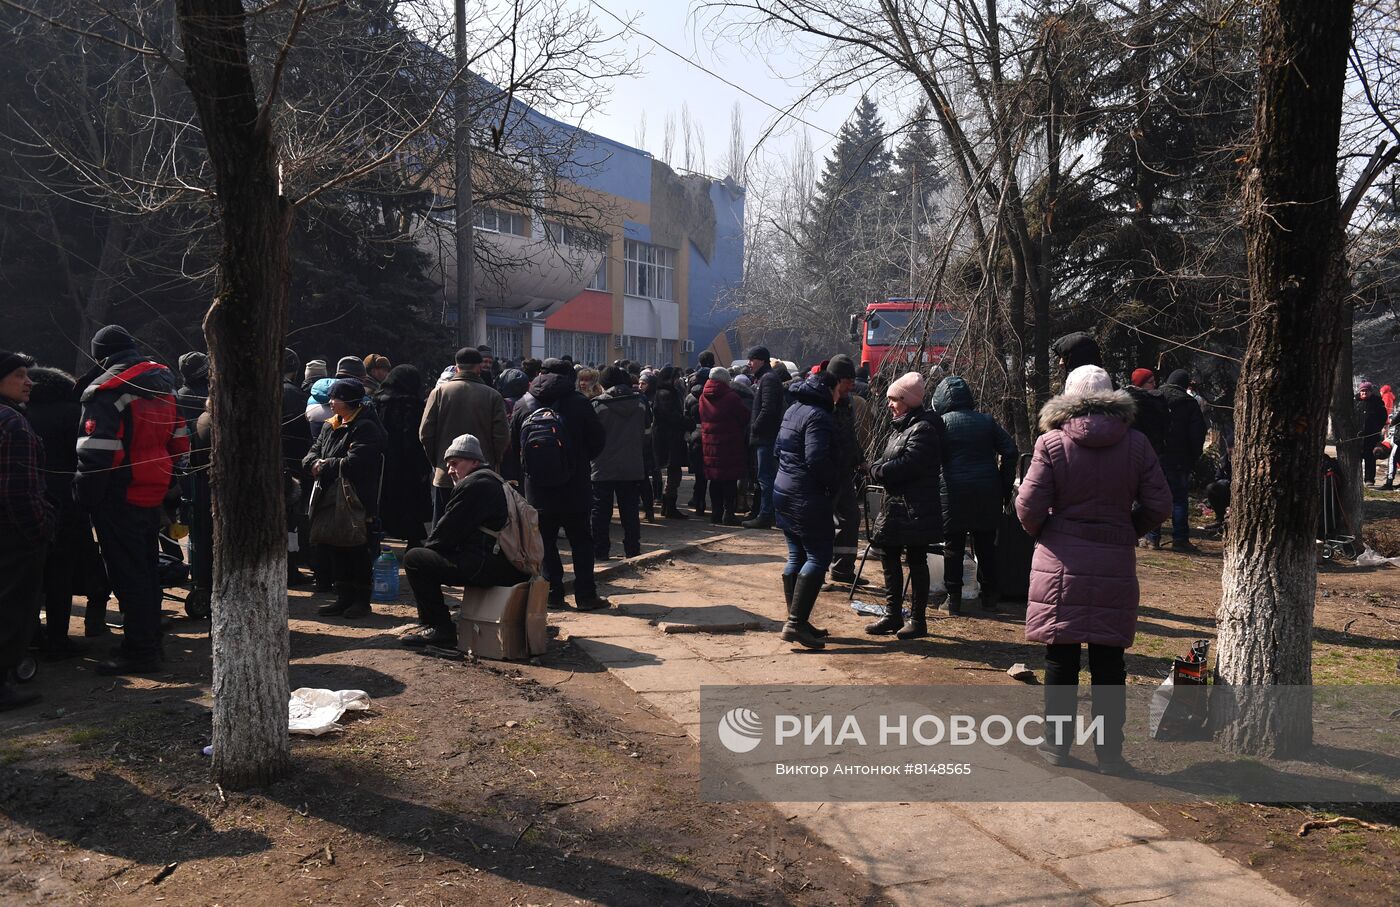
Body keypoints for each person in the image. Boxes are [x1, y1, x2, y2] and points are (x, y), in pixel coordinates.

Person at [1016, 365, 1172, 774]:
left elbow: (1028, 504)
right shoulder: (1136, 444)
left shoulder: (1050, 443)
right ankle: (1109, 754)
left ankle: (1055, 746)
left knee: (1060, 659)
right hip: (1114, 558)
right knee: (1109, 663)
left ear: (1067, 398)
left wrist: (1049, 532)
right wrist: (1127, 529)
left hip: (1060, 560)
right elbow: (1159, 505)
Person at [75, 326, 190, 675]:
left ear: (100, 355)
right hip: (153, 490)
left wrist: (85, 498)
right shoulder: (163, 386)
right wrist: (169, 484)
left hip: (119, 494)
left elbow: (97, 453)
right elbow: (180, 441)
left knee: (128, 574)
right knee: (145, 569)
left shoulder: (107, 391)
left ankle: (140, 652)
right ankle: (149, 640)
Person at [401, 434, 529, 648]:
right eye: (448, 465)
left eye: (455, 463)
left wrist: (430, 553)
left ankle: (438, 627)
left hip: (488, 565)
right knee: (427, 557)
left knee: (415, 559)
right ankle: (437, 625)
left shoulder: (474, 485)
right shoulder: (493, 479)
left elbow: (446, 533)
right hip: (507, 563)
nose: (450, 470)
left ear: (474, 462)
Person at [510, 358, 610, 610]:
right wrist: (578, 461)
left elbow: (512, 446)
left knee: (545, 542)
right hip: (575, 485)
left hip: (537, 488)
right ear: (569, 376)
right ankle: (586, 596)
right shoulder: (579, 403)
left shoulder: (524, 404)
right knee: (581, 541)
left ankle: (553, 595)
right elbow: (597, 441)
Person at [864, 372, 944, 639]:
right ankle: (892, 614)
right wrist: (880, 468)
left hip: (915, 509)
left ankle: (918, 620)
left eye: (894, 399)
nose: (889, 404)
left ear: (907, 401)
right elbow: (892, 463)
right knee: (888, 557)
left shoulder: (924, 428)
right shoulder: (903, 426)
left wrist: (878, 470)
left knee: (916, 561)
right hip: (897, 508)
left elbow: (907, 466)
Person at [26, 364, 96, 655]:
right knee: (61, 574)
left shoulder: (20, 413)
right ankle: (58, 637)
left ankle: (31, 636)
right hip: (67, 500)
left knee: (30, 576)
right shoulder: (73, 412)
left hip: (29, 502)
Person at [931, 375, 1017, 614]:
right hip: (987, 491)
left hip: (952, 491)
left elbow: (931, 457)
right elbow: (1010, 451)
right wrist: (1004, 485)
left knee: (953, 546)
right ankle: (990, 598)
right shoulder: (986, 421)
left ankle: (953, 600)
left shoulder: (941, 423)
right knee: (986, 545)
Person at [0, 352, 56, 710]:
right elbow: (18, 490)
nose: (29, 381)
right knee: (13, 608)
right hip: (14, 534)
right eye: (20, 374)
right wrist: (41, 527)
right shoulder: (13, 424)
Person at [304, 378, 386, 619]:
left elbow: (357, 462)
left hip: (356, 496)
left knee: (356, 547)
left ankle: (361, 600)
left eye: (335, 398)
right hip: (329, 495)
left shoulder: (365, 427)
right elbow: (312, 452)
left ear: (349, 401)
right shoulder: (330, 425)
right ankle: (343, 597)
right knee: (333, 545)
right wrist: (313, 463)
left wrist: (325, 464)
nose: (330, 403)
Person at [773, 370, 841, 650]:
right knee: (818, 556)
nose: (840, 396)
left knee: (796, 554)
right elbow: (816, 459)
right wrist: (834, 480)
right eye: (838, 390)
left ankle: (795, 619)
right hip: (806, 495)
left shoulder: (794, 409)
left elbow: (778, 448)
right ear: (828, 389)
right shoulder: (819, 416)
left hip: (785, 489)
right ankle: (796, 623)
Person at [420, 347, 509, 525]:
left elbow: (425, 433)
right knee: (478, 527)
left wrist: (438, 462)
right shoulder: (493, 396)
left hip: (446, 473)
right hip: (483, 474)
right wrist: (493, 461)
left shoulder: (439, 393)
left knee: (444, 527)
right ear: (478, 368)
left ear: (457, 367)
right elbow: (501, 436)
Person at [1146, 369, 1207, 551]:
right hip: (1179, 459)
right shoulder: (1189, 403)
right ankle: (1180, 539)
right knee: (1179, 499)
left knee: (1154, 497)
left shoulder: (1154, 397)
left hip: (1155, 456)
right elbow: (1198, 433)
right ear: (1185, 384)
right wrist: (1194, 456)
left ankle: (1151, 538)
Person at [591, 366, 648, 560]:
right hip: (632, 464)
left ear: (603, 383)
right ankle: (633, 549)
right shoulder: (640, 403)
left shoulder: (597, 405)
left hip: (602, 465)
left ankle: (600, 550)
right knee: (630, 511)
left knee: (600, 511)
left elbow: (589, 434)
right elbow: (647, 427)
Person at [374, 365, 433, 550]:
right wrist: (422, 465)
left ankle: (376, 540)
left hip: (382, 463)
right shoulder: (413, 405)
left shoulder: (376, 401)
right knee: (410, 503)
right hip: (407, 465)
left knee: (382, 502)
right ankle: (413, 540)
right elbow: (414, 437)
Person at [826, 355, 866, 585]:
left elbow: (849, 435)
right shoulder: (820, 402)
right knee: (822, 524)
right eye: (848, 382)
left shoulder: (847, 402)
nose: (852, 386)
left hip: (843, 472)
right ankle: (813, 574)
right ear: (836, 380)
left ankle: (843, 570)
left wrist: (859, 460)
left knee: (851, 517)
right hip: (825, 473)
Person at [698, 366, 749, 526]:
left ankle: (716, 512)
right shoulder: (731, 397)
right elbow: (744, 417)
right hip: (729, 444)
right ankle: (729, 513)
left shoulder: (702, 397)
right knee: (729, 480)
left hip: (709, 444)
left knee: (714, 480)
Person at [744, 347, 786, 529]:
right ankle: (766, 513)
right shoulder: (766, 378)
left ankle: (766, 515)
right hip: (766, 436)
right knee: (766, 477)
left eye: (751, 359)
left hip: (766, 437)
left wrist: (755, 427)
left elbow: (767, 409)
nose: (749, 363)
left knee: (766, 478)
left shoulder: (768, 379)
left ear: (761, 360)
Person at [282, 349, 313, 585]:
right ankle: (291, 568)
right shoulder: (296, 395)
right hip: (291, 466)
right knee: (290, 522)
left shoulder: (256, 390)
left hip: (265, 465)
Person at [651, 366, 690, 520]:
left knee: (674, 472)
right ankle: (669, 506)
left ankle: (668, 506)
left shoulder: (667, 393)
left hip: (669, 437)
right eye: (676, 377)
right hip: (669, 438)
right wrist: (688, 422)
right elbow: (672, 416)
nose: (678, 380)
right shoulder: (666, 394)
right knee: (674, 472)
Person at [683, 367, 710, 515]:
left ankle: (697, 499)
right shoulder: (712, 395)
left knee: (699, 471)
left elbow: (685, 417)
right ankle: (703, 500)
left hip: (694, 436)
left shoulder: (690, 396)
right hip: (710, 435)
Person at [1358, 381, 1388, 486]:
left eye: (1366, 391)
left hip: (1371, 436)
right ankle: (1356, 479)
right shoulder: (1355, 402)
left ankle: (1369, 479)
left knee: (1370, 458)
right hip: (1357, 437)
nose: (1364, 393)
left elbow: (1384, 417)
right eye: (1362, 391)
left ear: (1370, 392)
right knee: (1356, 458)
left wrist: (1376, 429)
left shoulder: (1377, 403)